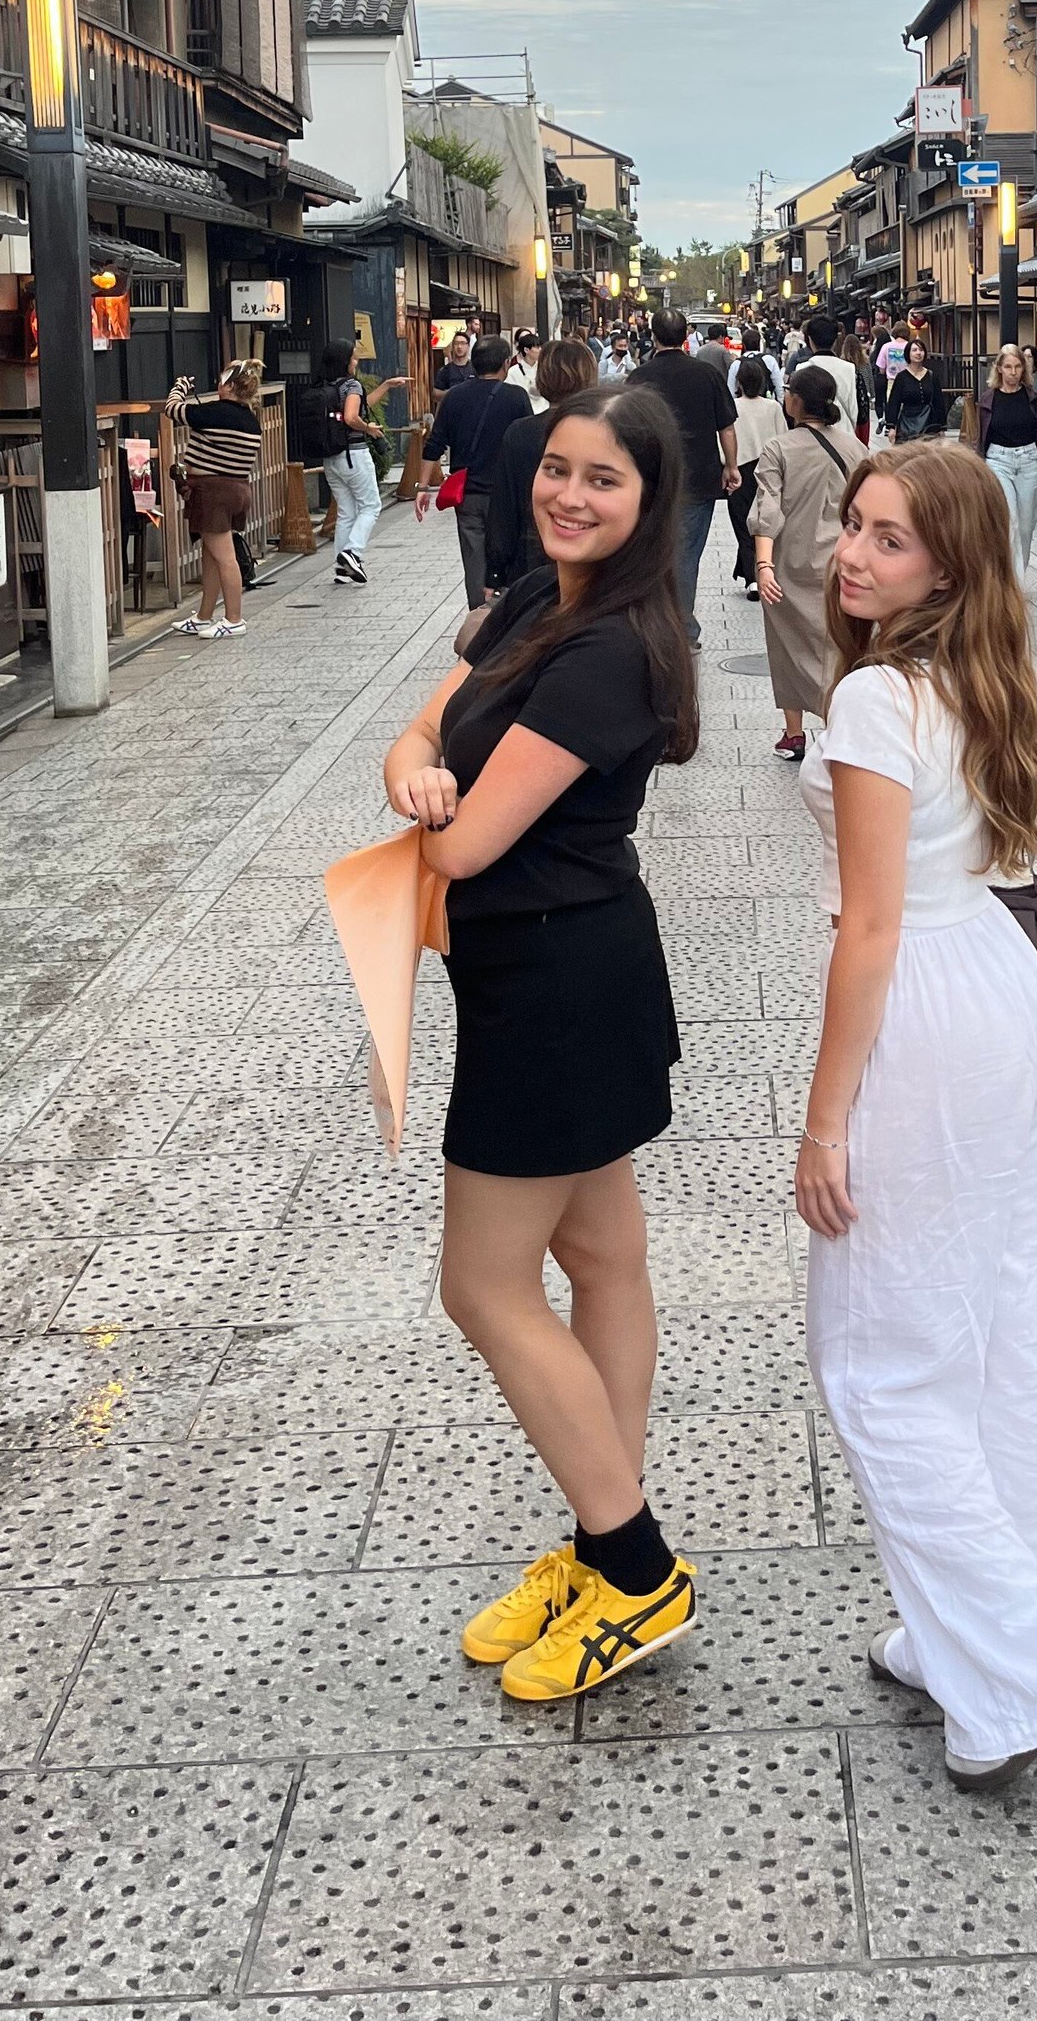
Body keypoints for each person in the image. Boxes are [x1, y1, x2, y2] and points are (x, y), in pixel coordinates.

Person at [796, 440, 1037, 1792]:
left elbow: (869, 926)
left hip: (927, 1002)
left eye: (890, 541)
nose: (853, 556)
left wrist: (821, 1124)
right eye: (855, 529)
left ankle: (1016, 1668)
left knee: (881, 1358)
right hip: (1009, 992)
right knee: (995, 1320)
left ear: (950, 565)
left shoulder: (877, 697)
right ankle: (991, 1625)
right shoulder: (981, 671)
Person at [381, 386, 700, 1701]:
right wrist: (408, 762)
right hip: (552, 969)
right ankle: (595, 1536)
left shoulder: (613, 648)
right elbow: (422, 730)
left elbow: (460, 843)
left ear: (650, 502)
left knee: (484, 1286)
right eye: (558, 469)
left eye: (602, 480)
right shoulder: (532, 603)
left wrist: (422, 798)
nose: (569, 494)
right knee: (598, 1256)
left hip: (556, 986)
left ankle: (636, 1568)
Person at [752, 363, 860, 760]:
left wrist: (763, 566)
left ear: (794, 400)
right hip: (843, 563)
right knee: (840, 645)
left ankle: (793, 733)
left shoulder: (779, 448)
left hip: (790, 563)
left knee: (787, 646)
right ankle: (841, 726)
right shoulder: (853, 447)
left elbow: (767, 510)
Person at [637, 308, 740, 645]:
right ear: (686, 336)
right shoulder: (706, 375)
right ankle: (682, 628)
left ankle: (654, 624)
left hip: (650, 479)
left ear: (653, 336)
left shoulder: (639, 378)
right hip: (698, 476)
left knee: (651, 551)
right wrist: (732, 465)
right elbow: (726, 426)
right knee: (686, 554)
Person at [420, 335, 533, 607]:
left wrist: (423, 487)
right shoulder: (516, 397)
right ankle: (506, 608)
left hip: (468, 494)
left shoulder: (454, 397)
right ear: (506, 363)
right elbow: (527, 441)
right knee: (510, 551)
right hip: (507, 495)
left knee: (474, 558)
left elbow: (434, 444)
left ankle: (478, 614)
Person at [484, 339, 600, 595]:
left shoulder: (520, 433)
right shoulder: (605, 432)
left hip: (531, 562)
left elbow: (504, 509)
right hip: (593, 556)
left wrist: (494, 572)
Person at [166, 359, 265, 638]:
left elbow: (172, 410)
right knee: (211, 555)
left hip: (211, 493)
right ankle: (203, 616)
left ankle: (234, 619)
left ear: (231, 386)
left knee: (224, 557)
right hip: (236, 490)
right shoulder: (250, 420)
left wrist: (180, 386)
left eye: (222, 381)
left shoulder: (215, 412)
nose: (217, 385)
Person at [308, 339, 387, 590]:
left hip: (331, 459)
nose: (356, 362)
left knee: (346, 511)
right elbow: (353, 416)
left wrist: (386, 386)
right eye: (353, 358)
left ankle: (342, 569)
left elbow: (359, 406)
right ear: (344, 361)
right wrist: (369, 429)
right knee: (371, 506)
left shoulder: (324, 385)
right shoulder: (350, 384)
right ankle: (352, 553)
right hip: (354, 455)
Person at [971, 342, 1037, 569]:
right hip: (998, 460)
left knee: (1026, 525)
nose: (1013, 372)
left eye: (1017, 366)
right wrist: (977, 466)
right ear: (999, 368)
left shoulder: (1032, 398)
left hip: (1028, 459)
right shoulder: (989, 398)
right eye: (1008, 366)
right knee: (1011, 521)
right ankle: (1013, 583)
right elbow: (980, 436)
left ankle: (1020, 573)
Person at [724, 351, 785, 594]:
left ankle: (751, 576)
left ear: (738, 382)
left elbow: (724, 441)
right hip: (768, 469)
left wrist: (727, 467)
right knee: (763, 522)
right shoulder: (773, 408)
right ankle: (759, 570)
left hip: (739, 469)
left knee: (743, 525)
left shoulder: (732, 407)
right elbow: (783, 439)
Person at [798, 311, 872, 444]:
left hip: (810, 440)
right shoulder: (851, 370)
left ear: (809, 339)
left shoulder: (802, 370)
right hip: (846, 439)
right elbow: (862, 414)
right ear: (835, 339)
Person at [880, 335, 947, 443]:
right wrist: (891, 426)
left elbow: (938, 401)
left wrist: (942, 427)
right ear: (908, 353)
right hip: (907, 422)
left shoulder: (931, 376)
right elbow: (894, 402)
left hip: (929, 422)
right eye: (914, 350)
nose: (918, 353)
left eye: (921, 350)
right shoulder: (902, 377)